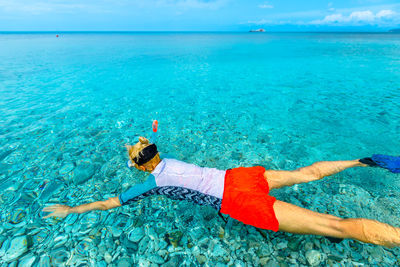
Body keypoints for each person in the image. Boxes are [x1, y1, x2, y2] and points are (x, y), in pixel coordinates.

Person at [43, 136, 400, 248]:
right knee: (303, 175)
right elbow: (150, 151)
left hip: (237, 200)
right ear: (156, 152)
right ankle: (364, 161)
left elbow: (109, 203)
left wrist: (71, 211)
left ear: (138, 166)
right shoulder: (170, 160)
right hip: (238, 176)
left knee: (336, 226)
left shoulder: (152, 183)